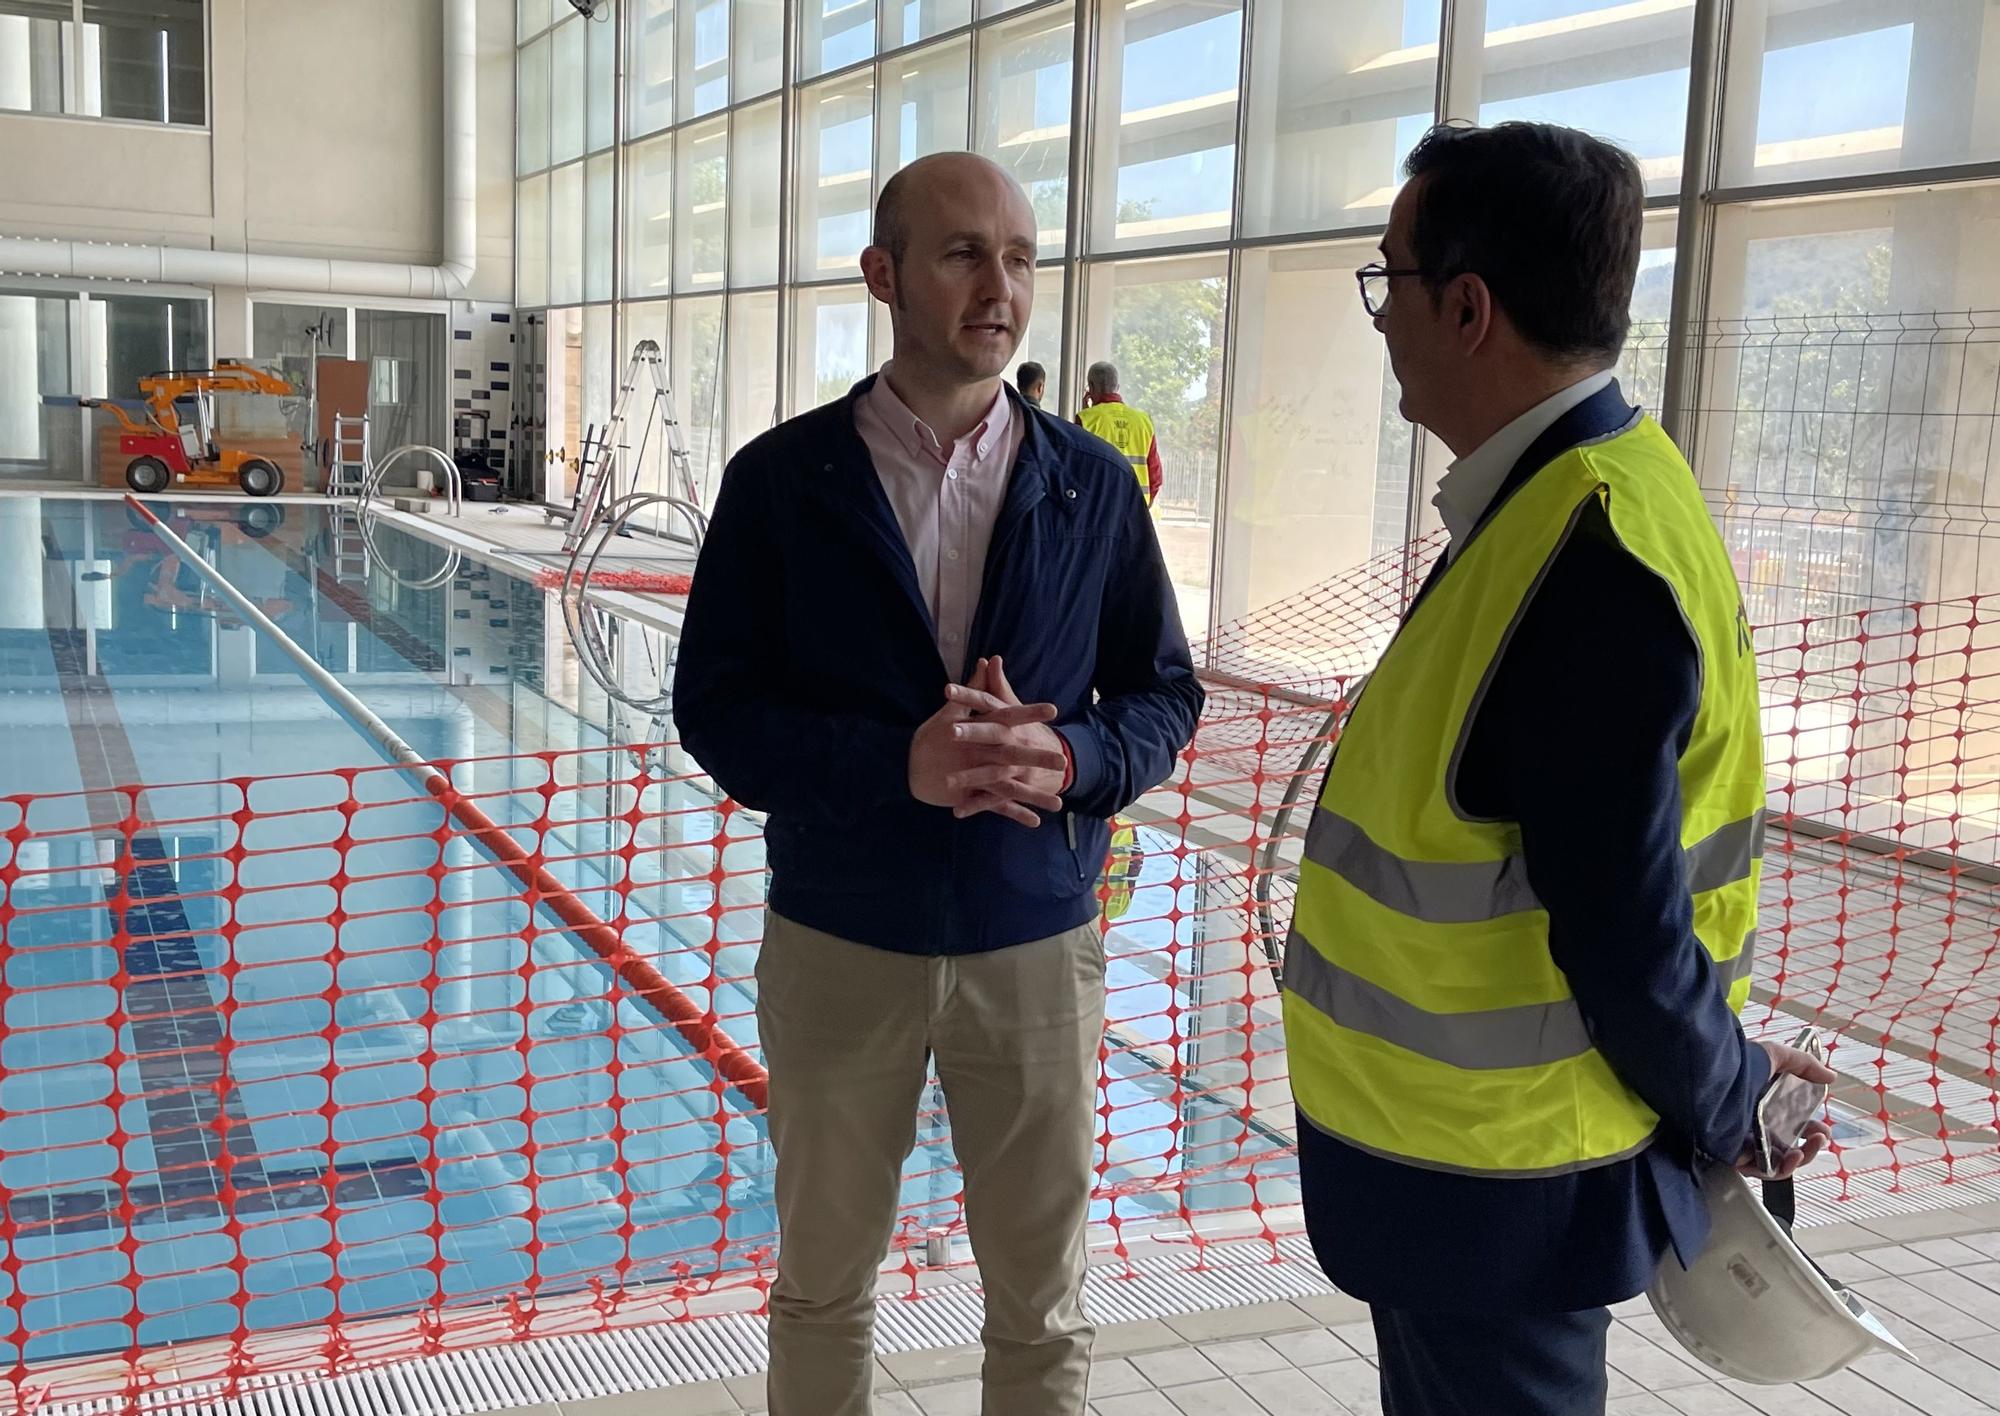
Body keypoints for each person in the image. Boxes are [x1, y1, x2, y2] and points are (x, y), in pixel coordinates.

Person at [1281, 121, 1837, 1416]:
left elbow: (1626, 931)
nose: (1382, 322)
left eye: (1392, 284)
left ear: (1468, 308)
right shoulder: (1591, 496)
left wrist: (1734, 1095)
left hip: (1501, 1193)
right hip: (1470, 1183)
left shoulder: (1588, 556)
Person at [672, 151, 1203, 1416]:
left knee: (1040, 1303)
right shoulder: (780, 484)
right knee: (822, 1286)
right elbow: (715, 711)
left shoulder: (1091, 488)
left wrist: (1075, 759)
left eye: (1019, 258)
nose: (1000, 286)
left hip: (1036, 943)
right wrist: (890, 765)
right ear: (883, 274)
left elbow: (1165, 694)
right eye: (964, 252)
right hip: (840, 941)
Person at [1076, 362, 1162, 506]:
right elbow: (1154, 471)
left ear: (1091, 387)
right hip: (1136, 506)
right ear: (1117, 388)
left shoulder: (1086, 420)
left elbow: (1077, 468)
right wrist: (1146, 504)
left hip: (1101, 507)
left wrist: (1087, 412)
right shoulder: (1143, 420)